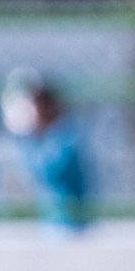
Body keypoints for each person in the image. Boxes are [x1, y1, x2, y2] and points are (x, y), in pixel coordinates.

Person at [13, 78, 89, 233]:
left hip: (70, 224)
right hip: (50, 221)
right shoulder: (45, 139)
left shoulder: (66, 137)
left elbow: (47, 172)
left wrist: (29, 138)